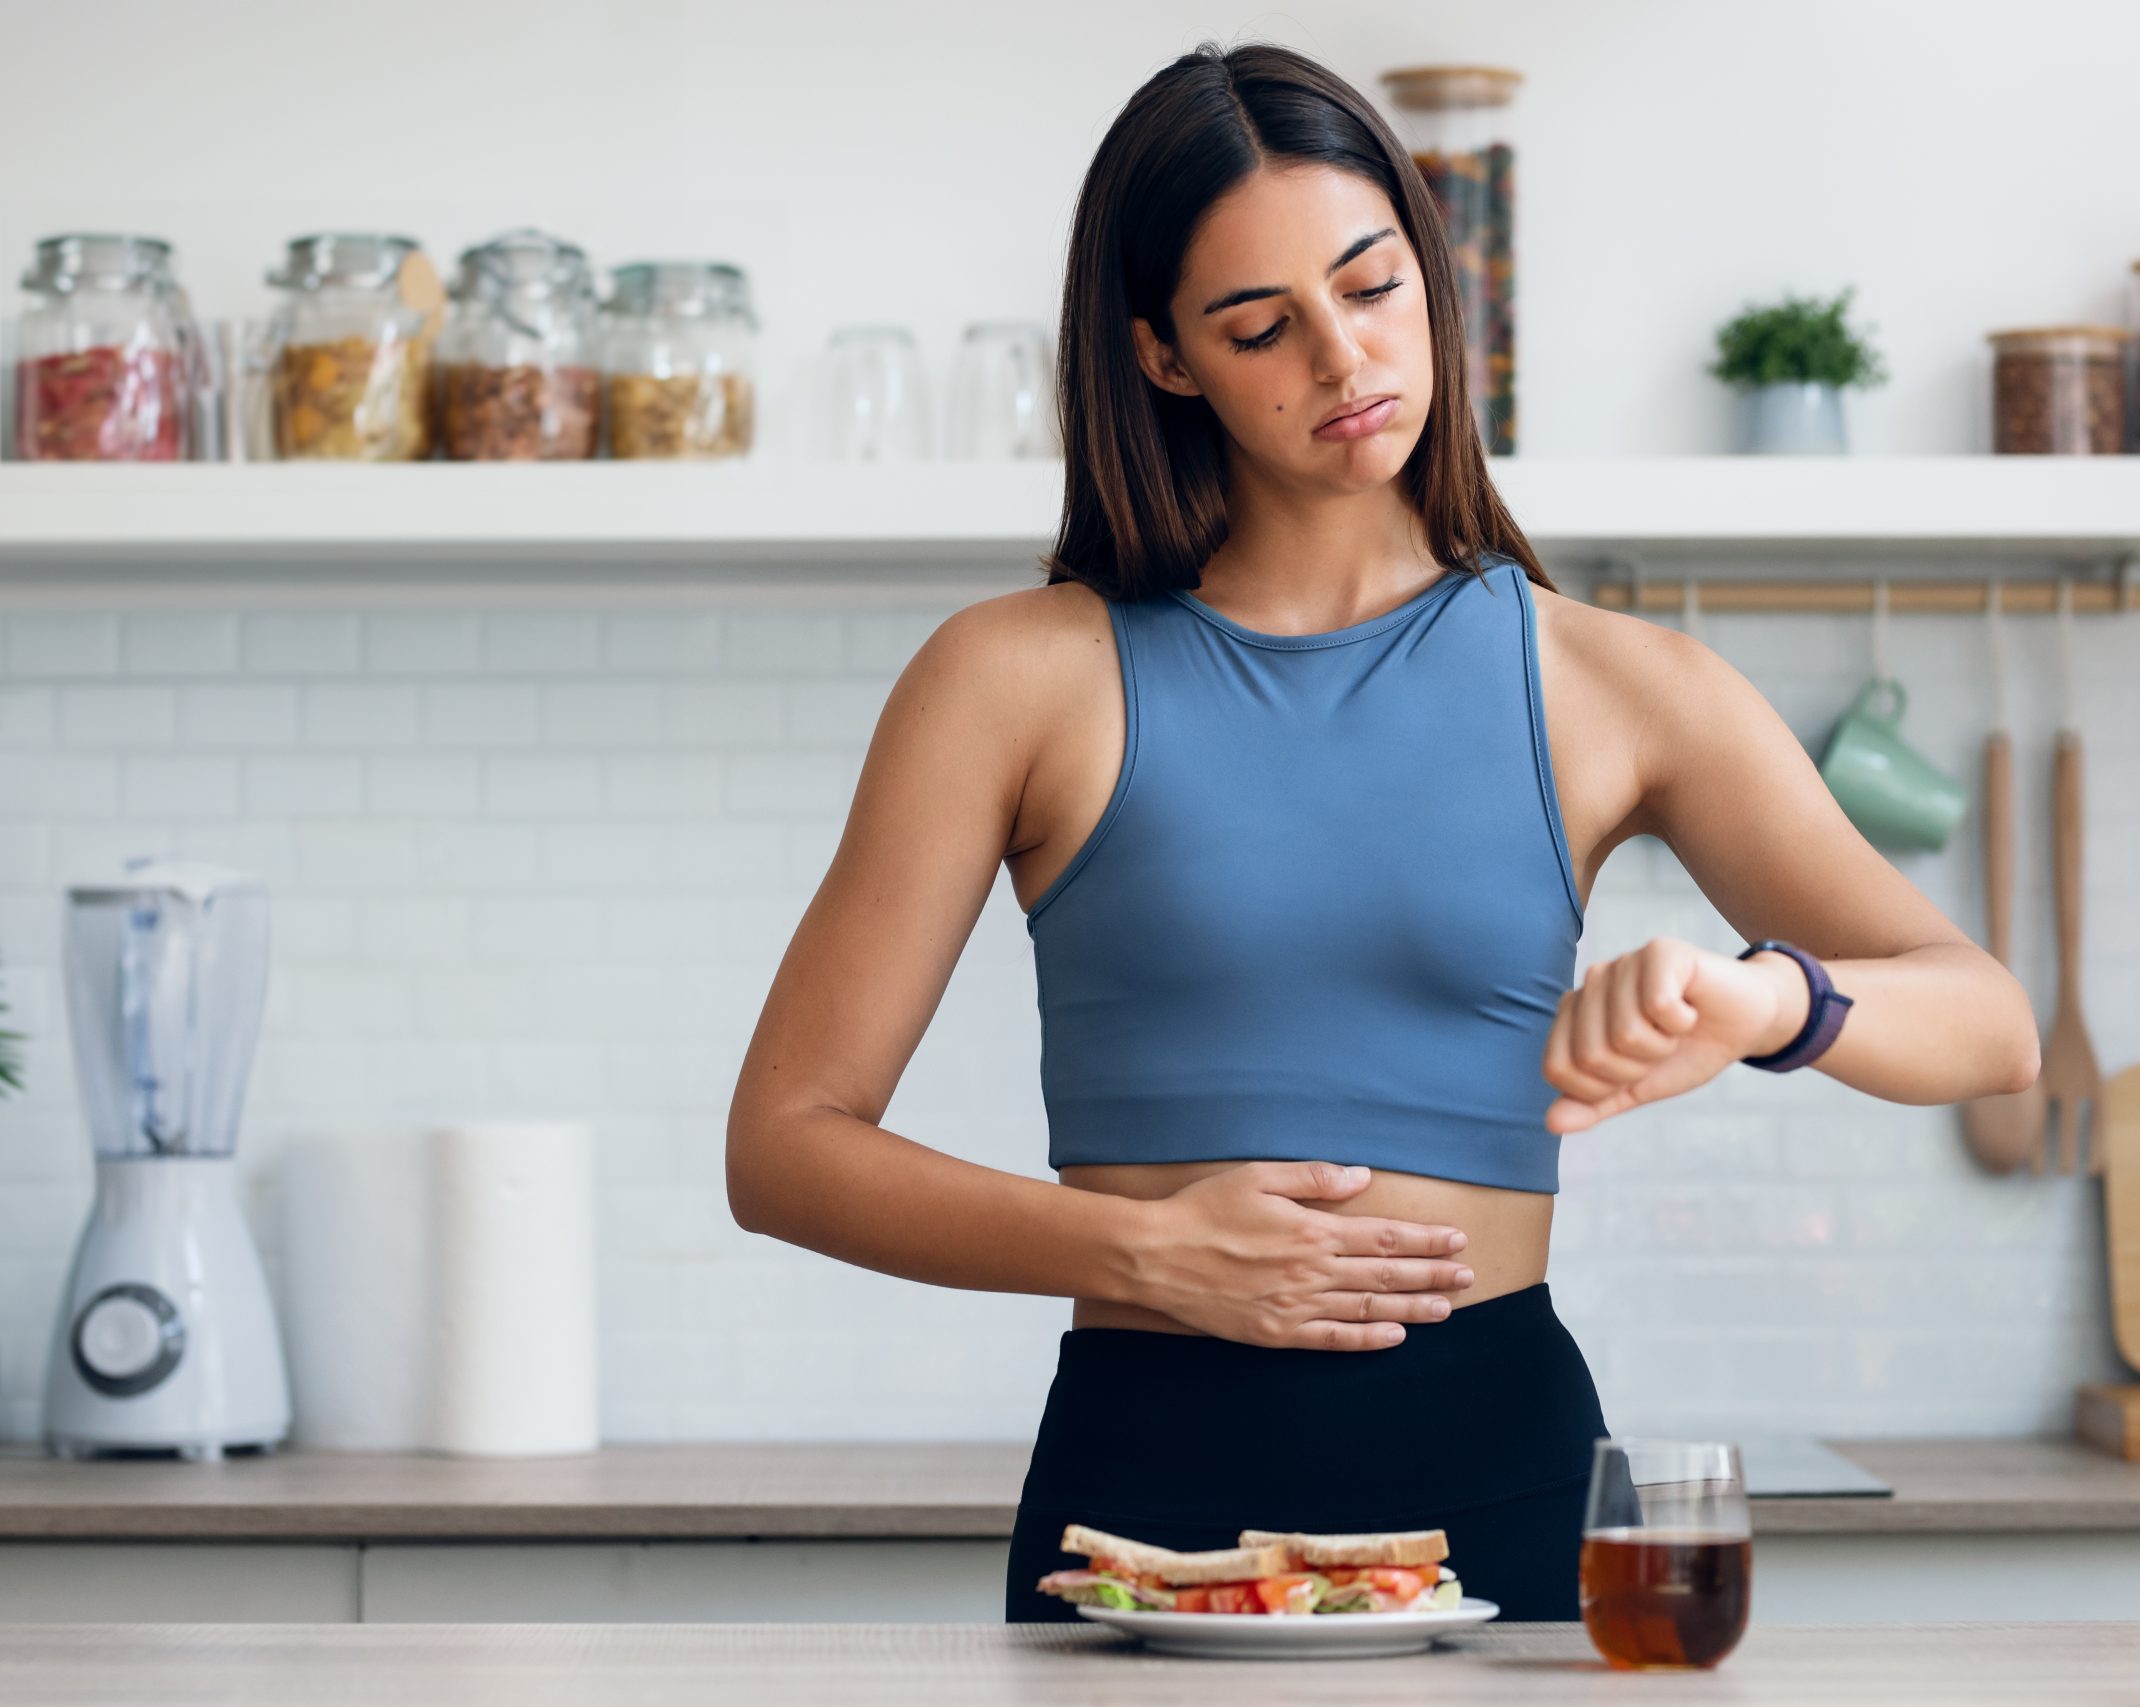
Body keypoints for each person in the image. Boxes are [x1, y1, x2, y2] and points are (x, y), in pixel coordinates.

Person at [725, 40, 2039, 1622]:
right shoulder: (1014, 678)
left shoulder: (1613, 684)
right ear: (1161, 357)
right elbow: (785, 1146)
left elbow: (1991, 1026)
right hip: (1148, 1496)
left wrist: (1766, 999)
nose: (1344, 360)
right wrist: (1144, 1253)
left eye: (1373, 286)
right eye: (1261, 327)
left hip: (1505, 1473)